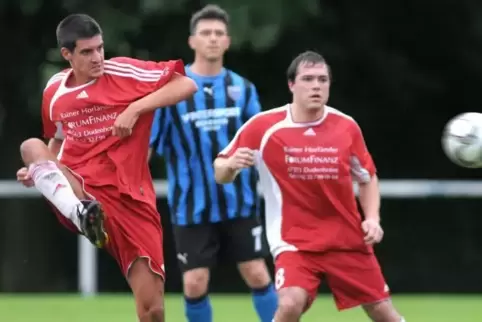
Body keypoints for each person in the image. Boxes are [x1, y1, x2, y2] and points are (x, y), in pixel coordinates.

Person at [16, 14, 197, 322]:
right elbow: (55, 141)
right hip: (81, 190)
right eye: (87, 52)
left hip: (131, 199)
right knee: (30, 148)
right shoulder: (55, 91)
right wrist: (41, 166)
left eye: (100, 48)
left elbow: (186, 84)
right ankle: (81, 214)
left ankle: (87, 216)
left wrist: (135, 108)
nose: (98, 57)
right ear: (67, 55)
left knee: (152, 310)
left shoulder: (123, 72)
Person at [213, 50, 406, 322]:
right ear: (292, 85)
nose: (316, 85)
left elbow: (367, 177)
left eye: (322, 79)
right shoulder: (265, 126)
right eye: (308, 79)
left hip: (346, 238)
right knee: (290, 304)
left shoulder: (346, 126)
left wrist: (373, 218)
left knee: (384, 313)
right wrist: (231, 165)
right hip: (294, 241)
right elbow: (219, 171)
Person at [149, 5, 277, 322]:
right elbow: (147, 147)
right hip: (190, 204)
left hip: (240, 200)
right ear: (192, 41)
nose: (213, 39)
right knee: (194, 282)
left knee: (257, 272)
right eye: (206, 33)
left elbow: (262, 142)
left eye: (219, 33)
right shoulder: (171, 93)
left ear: (228, 41)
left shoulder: (243, 90)